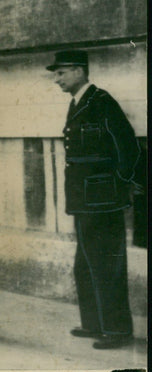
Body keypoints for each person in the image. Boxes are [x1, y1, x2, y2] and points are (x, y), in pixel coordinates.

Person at [47, 50, 140, 349]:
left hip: (102, 200)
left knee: (106, 264)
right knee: (85, 264)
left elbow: (127, 146)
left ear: (78, 71)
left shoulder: (101, 101)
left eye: (60, 73)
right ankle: (94, 323)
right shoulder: (78, 103)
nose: (56, 79)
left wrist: (120, 188)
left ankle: (116, 330)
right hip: (85, 199)